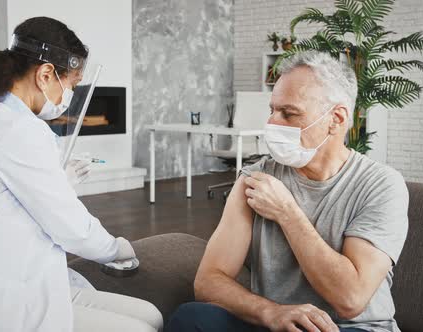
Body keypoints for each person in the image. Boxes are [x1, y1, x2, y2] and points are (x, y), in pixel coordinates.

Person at [0, 17, 162, 332]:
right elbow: (70, 226)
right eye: (72, 85)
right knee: (143, 328)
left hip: (2, 277)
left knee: (152, 316)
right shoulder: (18, 130)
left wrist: (59, 182)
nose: (70, 96)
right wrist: (116, 248)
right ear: (46, 74)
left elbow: (11, 201)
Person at [166, 51, 409, 332]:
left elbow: (350, 299)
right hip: (277, 324)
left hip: (350, 328)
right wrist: (270, 312)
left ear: (336, 119)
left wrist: (287, 212)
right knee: (192, 318)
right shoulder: (254, 179)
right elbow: (208, 281)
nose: (272, 123)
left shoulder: (381, 185)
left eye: (289, 113)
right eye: (272, 110)